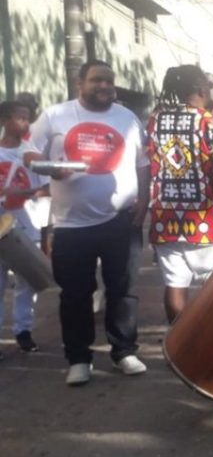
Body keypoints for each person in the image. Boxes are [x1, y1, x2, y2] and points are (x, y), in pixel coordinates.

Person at [25, 60, 150, 386]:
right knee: (76, 294)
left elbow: (143, 163)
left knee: (123, 290)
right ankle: (79, 358)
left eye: (109, 81)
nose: (104, 86)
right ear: (80, 84)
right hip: (71, 225)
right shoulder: (55, 116)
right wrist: (52, 168)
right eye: (97, 81)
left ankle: (124, 351)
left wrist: (145, 200)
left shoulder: (127, 118)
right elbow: (29, 154)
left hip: (121, 222)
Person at [146, 65, 213, 323]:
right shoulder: (211, 122)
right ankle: (206, 346)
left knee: (175, 284)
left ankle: (177, 346)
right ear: (200, 89)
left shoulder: (155, 121)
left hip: (165, 219)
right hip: (206, 219)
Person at [0, 101, 48, 357]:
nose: (26, 124)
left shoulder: (31, 154)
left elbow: (49, 187)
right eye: (20, 118)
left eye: (28, 118)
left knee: (26, 284)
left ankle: (23, 331)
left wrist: (24, 192)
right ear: (5, 121)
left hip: (26, 228)